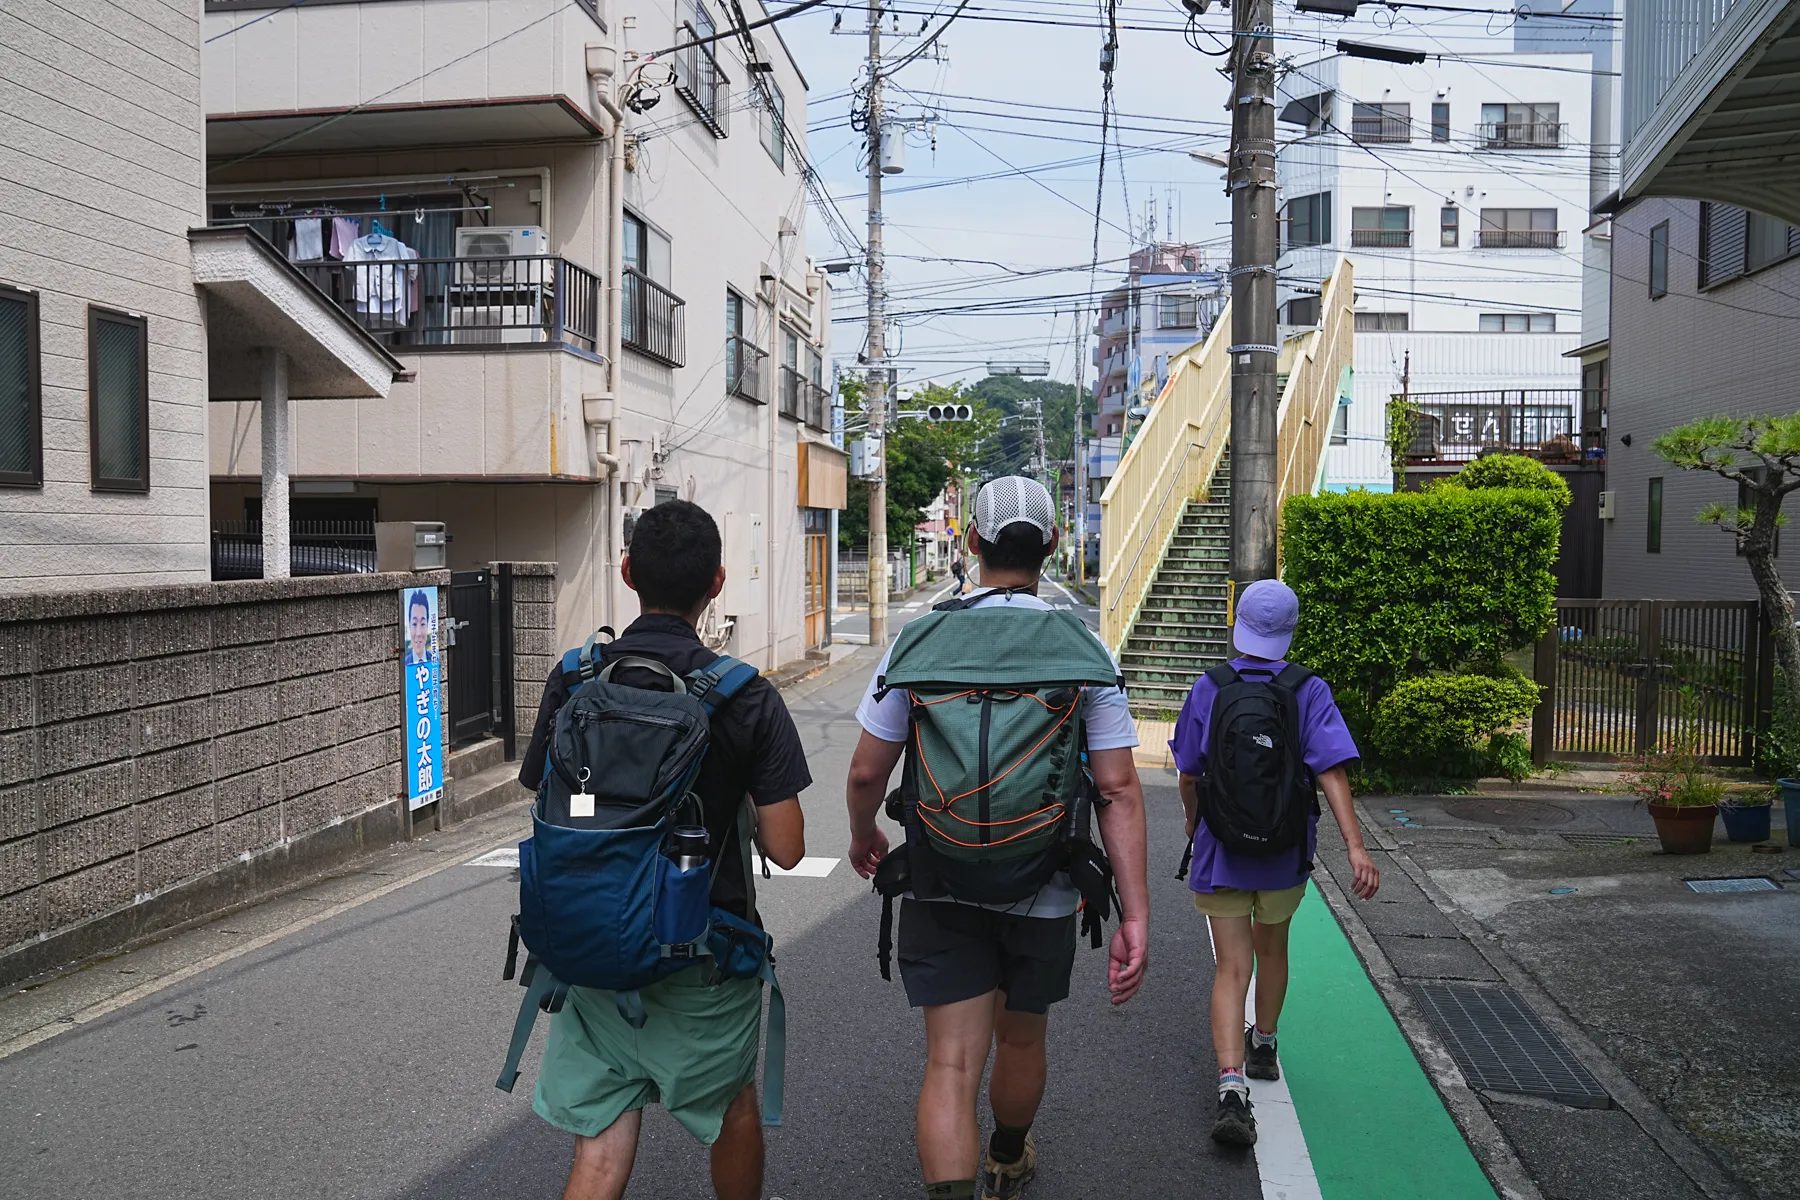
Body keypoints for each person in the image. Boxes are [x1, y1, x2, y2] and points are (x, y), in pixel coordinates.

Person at [846, 476, 1151, 1200]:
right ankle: (1007, 1157)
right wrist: (1134, 912)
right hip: (1043, 876)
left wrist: (864, 836)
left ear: (972, 541)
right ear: (1049, 544)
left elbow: (865, 772)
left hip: (939, 873)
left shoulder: (921, 639)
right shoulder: (1083, 648)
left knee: (951, 1064)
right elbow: (1116, 789)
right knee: (1021, 1037)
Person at [516, 500, 811, 1200]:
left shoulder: (577, 677)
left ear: (627, 572)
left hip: (593, 955)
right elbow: (789, 848)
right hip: (703, 959)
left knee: (599, 1152)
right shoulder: (744, 696)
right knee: (731, 1113)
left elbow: (544, 799)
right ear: (717, 582)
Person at [1168, 578, 1380, 1147]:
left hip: (1221, 848)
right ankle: (1263, 1042)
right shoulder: (1308, 689)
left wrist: (1194, 821)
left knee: (1230, 967)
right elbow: (1331, 770)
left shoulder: (1210, 686)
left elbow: (1188, 772)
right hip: (1285, 848)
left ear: (1240, 624)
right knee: (1274, 948)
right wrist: (1356, 847)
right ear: (1289, 631)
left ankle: (1231, 1088)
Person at [405, 589, 436, 666]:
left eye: (422, 624)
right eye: (414, 624)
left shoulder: (435, 661)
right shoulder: (405, 664)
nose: (418, 633)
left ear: (428, 625)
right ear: (409, 626)